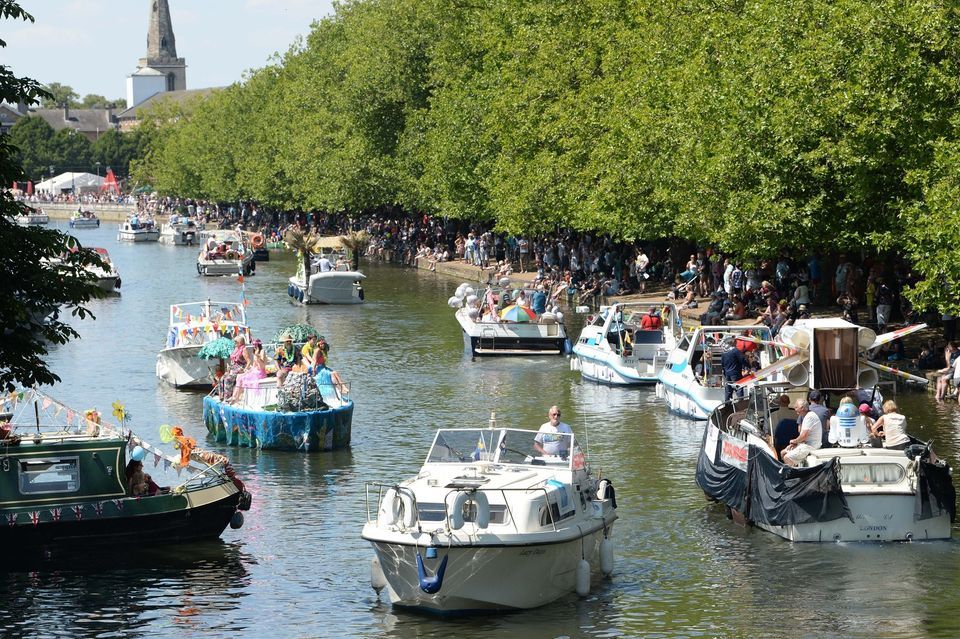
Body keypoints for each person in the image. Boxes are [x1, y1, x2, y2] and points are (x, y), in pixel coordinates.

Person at [782, 399, 823, 466]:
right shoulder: (807, 416)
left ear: (802, 408)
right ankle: (793, 469)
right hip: (806, 444)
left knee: (787, 457)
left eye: (796, 407)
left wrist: (795, 441)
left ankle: (794, 474)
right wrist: (796, 442)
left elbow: (804, 436)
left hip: (810, 446)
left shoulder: (809, 417)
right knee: (783, 452)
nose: (795, 409)